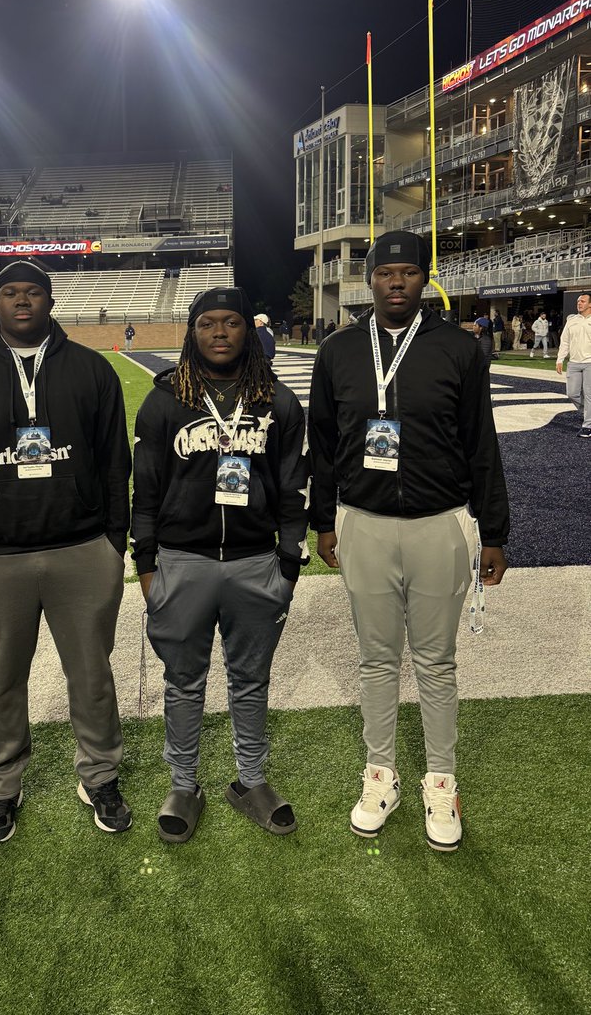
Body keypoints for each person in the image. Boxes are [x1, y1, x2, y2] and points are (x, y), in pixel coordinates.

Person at [308, 230, 509, 853]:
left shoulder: (458, 348)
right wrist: (322, 520)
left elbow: (481, 444)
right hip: (363, 521)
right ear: (369, 281)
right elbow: (321, 445)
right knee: (374, 658)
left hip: (439, 522)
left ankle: (442, 780)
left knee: (435, 660)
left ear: (425, 279)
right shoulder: (338, 349)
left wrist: (493, 530)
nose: (397, 283)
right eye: (386, 274)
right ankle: (380, 775)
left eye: (408, 273)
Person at [0, 258, 132, 845]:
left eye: (34, 292)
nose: (23, 301)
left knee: (92, 677)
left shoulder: (91, 370)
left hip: (82, 548)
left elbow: (115, 463)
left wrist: (113, 543)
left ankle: (99, 776)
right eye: (11, 293)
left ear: (49, 300)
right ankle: (2, 788)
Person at [132, 286, 309, 842]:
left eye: (230, 322)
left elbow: (292, 487)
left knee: (250, 679)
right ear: (191, 331)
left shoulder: (276, 400)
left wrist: (289, 560)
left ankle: (250, 780)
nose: (219, 333)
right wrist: (146, 562)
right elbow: (145, 490)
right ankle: (184, 784)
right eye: (207, 323)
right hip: (182, 561)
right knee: (184, 680)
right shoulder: (165, 400)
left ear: (246, 330)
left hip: (256, 562)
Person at [556, 291, 591, 438]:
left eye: (582, 301)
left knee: (589, 395)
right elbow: (565, 341)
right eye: (578, 301)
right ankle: (588, 414)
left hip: (590, 362)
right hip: (574, 363)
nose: (579, 303)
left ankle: (587, 425)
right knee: (571, 393)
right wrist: (560, 359)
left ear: (590, 304)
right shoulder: (572, 320)